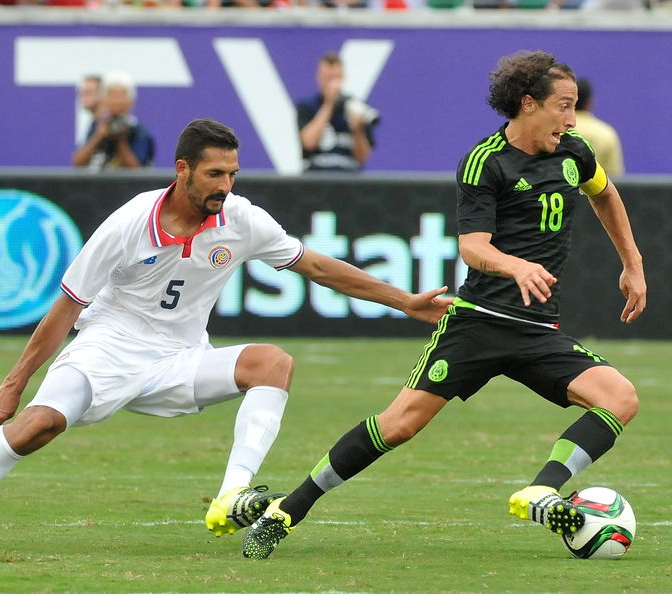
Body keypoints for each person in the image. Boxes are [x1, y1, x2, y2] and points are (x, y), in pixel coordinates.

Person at [0, 118, 453, 552]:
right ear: (182, 169)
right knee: (39, 425)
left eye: (233, 173)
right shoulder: (129, 222)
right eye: (215, 174)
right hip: (106, 347)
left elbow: (319, 268)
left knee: (272, 363)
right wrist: (13, 383)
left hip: (180, 358)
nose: (226, 186)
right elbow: (66, 308)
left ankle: (232, 494)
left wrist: (404, 301)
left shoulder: (241, 219)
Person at [242, 50, 647, 560]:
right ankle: (287, 511)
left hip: (538, 328)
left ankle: (542, 490)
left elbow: (605, 194)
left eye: (573, 109)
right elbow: (472, 246)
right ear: (528, 104)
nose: (570, 120)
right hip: (478, 322)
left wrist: (632, 264)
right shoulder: (485, 161)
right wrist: (515, 265)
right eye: (562, 107)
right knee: (399, 424)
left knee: (620, 398)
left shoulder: (575, 152)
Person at [296, 52, 378, 173]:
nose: (331, 82)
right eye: (327, 77)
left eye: (335, 77)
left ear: (343, 77)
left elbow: (362, 158)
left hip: (348, 178)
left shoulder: (355, 107)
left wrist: (357, 129)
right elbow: (309, 143)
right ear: (319, 77)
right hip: (315, 176)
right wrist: (329, 105)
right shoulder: (307, 105)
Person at [72, 71, 155, 171]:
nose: (116, 101)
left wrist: (120, 141)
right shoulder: (98, 125)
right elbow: (78, 162)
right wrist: (98, 136)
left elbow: (137, 170)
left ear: (130, 100)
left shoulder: (138, 130)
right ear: (104, 99)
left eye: (121, 95)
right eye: (111, 95)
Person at [571, 78, 624, 176]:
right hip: (597, 191)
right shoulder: (606, 133)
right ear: (590, 103)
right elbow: (615, 177)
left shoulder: (555, 130)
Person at [74, 74, 103, 146]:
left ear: (103, 94)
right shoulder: (92, 124)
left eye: (88, 92)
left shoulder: (108, 124)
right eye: (81, 93)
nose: (82, 97)